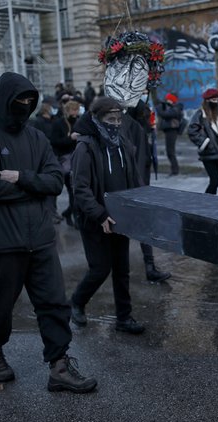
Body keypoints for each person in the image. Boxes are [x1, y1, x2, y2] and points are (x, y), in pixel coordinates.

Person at [0, 71, 96, 393]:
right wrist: (34, 187)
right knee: (0, 305)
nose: (24, 106)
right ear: (3, 100)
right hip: (4, 241)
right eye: (19, 100)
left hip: (40, 237)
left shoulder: (36, 136)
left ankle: (60, 366)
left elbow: (54, 181)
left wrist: (21, 177)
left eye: (30, 101)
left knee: (54, 303)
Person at [70, 97, 146, 335]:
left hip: (120, 217)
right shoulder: (86, 146)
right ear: (97, 119)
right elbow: (80, 188)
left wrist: (139, 203)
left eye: (118, 118)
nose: (115, 123)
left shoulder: (122, 142)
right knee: (100, 268)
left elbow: (133, 176)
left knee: (122, 269)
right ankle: (77, 302)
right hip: (96, 220)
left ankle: (124, 318)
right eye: (110, 119)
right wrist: (99, 214)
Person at [99, 31, 170, 283]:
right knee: (125, 224)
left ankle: (149, 266)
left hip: (140, 173)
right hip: (127, 178)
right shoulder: (118, 112)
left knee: (143, 221)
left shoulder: (136, 114)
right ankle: (111, 272)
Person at [188, 88, 218, 195]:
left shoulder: (217, 115)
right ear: (207, 100)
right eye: (214, 100)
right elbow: (192, 130)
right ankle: (207, 202)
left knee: (215, 181)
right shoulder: (200, 114)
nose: (216, 102)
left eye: (217, 100)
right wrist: (205, 142)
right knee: (215, 181)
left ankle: (211, 201)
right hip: (208, 154)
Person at [50, 99, 80, 226]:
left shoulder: (79, 122)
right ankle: (55, 213)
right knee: (57, 189)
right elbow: (54, 142)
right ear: (67, 111)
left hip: (75, 160)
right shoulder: (58, 123)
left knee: (74, 191)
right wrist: (70, 138)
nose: (76, 112)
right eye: (73, 109)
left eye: (77, 109)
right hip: (63, 161)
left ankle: (72, 215)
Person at [155, 93, 184, 176]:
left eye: (168, 99)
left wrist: (159, 109)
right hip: (169, 131)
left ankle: (175, 170)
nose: (166, 100)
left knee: (170, 151)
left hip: (172, 131)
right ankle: (174, 169)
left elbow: (166, 114)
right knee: (170, 151)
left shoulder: (176, 108)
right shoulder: (172, 107)